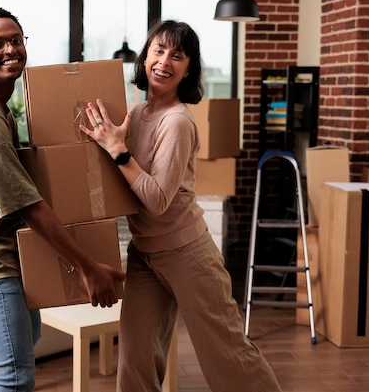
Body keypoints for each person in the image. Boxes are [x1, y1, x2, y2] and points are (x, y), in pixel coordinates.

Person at [79, 20, 282, 392]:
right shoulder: (136, 114)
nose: (164, 61)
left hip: (187, 252)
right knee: (135, 361)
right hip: (144, 254)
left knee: (227, 355)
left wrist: (118, 152)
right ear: (144, 59)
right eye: (158, 50)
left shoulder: (177, 122)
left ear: (189, 69)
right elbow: (122, 179)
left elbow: (155, 200)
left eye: (178, 55)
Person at [0, 6, 125, 392]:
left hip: (5, 253)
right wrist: (87, 268)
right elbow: (27, 205)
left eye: (16, 40)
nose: (10, 50)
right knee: (14, 375)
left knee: (26, 342)